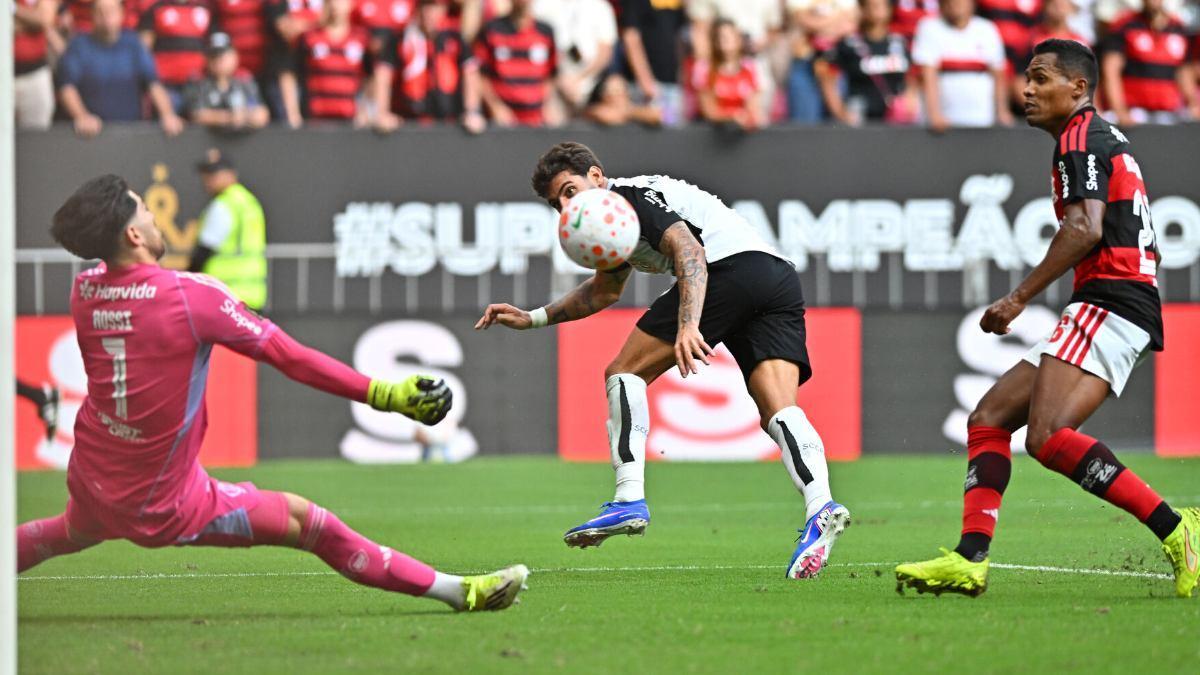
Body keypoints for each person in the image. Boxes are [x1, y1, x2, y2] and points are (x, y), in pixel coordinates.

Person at [16, 174, 529, 613]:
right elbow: (290, 356)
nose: (156, 218)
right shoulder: (192, 297)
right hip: (165, 501)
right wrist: (383, 394)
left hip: (92, 480)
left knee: (56, 534)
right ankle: (459, 592)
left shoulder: (85, 292)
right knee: (310, 523)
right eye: (147, 210)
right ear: (133, 232)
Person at [895, 39, 1199, 599]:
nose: (1026, 90)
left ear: (1078, 88)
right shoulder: (1094, 138)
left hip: (1112, 297)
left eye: (1040, 79)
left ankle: (1178, 528)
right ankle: (971, 558)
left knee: (1048, 435)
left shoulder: (1080, 138)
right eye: (1025, 79)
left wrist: (1018, 298)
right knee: (988, 418)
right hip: (1115, 297)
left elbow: (1083, 229)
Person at [476, 142, 851, 579]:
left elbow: (689, 252)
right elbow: (604, 292)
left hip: (727, 271)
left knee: (622, 372)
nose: (565, 205)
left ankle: (628, 497)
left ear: (597, 177)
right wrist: (534, 318)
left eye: (569, 189)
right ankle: (821, 507)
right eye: (556, 202)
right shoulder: (615, 223)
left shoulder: (628, 199)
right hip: (775, 278)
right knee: (778, 409)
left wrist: (689, 325)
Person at [57, 0, 185, 138]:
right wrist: (81, 116)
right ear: (92, 14)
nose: (106, 16)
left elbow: (153, 83)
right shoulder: (78, 45)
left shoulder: (133, 44)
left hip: (131, 133)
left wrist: (167, 114)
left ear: (121, 13)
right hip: (90, 135)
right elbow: (67, 87)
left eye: (111, 11)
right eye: (100, 11)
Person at [375, 0, 486, 134]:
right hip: (408, 125)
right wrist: (382, 112)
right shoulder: (402, 39)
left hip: (449, 125)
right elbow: (383, 73)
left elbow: (470, 72)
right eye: (425, 7)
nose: (429, 13)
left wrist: (472, 111)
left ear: (443, 10)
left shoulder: (454, 39)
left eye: (434, 8)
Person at [280, 0, 384, 128]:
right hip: (314, 121)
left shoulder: (361, 38)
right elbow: (288, 74)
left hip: (350, 123)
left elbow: (372, 77)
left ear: (351, 4)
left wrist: (365, 110)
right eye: (330, 1)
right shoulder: (309, 37)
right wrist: (293, 115)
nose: (335, 5)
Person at [911, 0, 1011, 131]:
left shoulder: (987, 29)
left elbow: (998, 75)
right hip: (944, 125)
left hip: (982, 120)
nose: (955, 4)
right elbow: (928, 75)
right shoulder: (929, 28)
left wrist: (1002, 111)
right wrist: (934, 114)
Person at [187, 149, 268, 311]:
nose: (207, 179)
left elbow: (204, 251)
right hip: (254, 296)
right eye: (206, 173)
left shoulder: (223, 205)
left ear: (231, 174)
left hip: (225, 298)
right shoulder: (249, 201)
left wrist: (187, 281)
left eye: (213, 173)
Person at [1099, 0, 1200, 126]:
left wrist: (1192, 103)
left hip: (1168, 114)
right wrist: (1119, 109)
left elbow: (1184, 72)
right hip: (1134, 113)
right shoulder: (1125, 26)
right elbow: (1111, 71)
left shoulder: (1179, 29)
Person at [816, 0, 917, 126]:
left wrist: (910, 101)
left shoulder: (900, 43)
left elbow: (912, 79)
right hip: (860, 118)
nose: (876, 10)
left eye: (881, 5)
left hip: (895, 120)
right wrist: (840, 112)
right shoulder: (849, 44)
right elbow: (828, 78)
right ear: (862, 9)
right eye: (871, 6)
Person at [474, 0, 558, 127]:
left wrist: (546, 106)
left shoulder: (545, 32)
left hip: (536, 121)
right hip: (502, 122)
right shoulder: (491, 30)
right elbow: (480, 76)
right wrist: (495, 107)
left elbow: (550, 75)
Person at [533, 0, 618, 120]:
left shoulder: (600, 7)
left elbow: (605, 54)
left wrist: (579, 79)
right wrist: (559, 79)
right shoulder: (542, 5)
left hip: (592, 81)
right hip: (556, 80)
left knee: (615, 89)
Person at [786, 0, 858, 124]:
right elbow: (803, 21)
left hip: (836, 58)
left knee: (838, 120)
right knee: (805, 123)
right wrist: (838, 17)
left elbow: (852, 24)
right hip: (806, 60)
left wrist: (818, 24)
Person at [138, 0, 217, 111]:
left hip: (198, 85)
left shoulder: (204, 9)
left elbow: (214, 47)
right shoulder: (157, 9)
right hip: (167, 86)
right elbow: (143, 52)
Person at [184, 33, 272, 130]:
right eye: (214, 56)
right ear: (207, 58)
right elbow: (196, 115)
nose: (219, 60)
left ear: (235, 56)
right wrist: (229, 117)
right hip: (204, 142)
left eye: (224, 55)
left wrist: (245, 116)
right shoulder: (198, 80)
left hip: (241, 141)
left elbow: (261, 113)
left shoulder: (244, 79)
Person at [619, 0, 687, 126]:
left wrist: (682, 75)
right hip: (647, 86)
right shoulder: (635, 3)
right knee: (647, 135)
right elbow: (631, 38)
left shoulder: (675, 3)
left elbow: (679, 39)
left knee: (673, 131)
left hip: (672, 84)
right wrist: (645, 80)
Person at [694, 19, 767, 130]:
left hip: (742, 134)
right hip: (713, 134)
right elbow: (709, 111)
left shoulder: (750, 67)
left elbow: (753, 108)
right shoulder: (704, 69)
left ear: (738, 39)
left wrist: (749, 118)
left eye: (729, 36)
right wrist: (733, 116)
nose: (724, 40)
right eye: (719, 37)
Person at [13, 0, 60, 129]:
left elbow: (44, 20)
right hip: (5, 76)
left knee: (36, 134)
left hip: (34, 74)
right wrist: (30, 22)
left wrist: (11, 8)